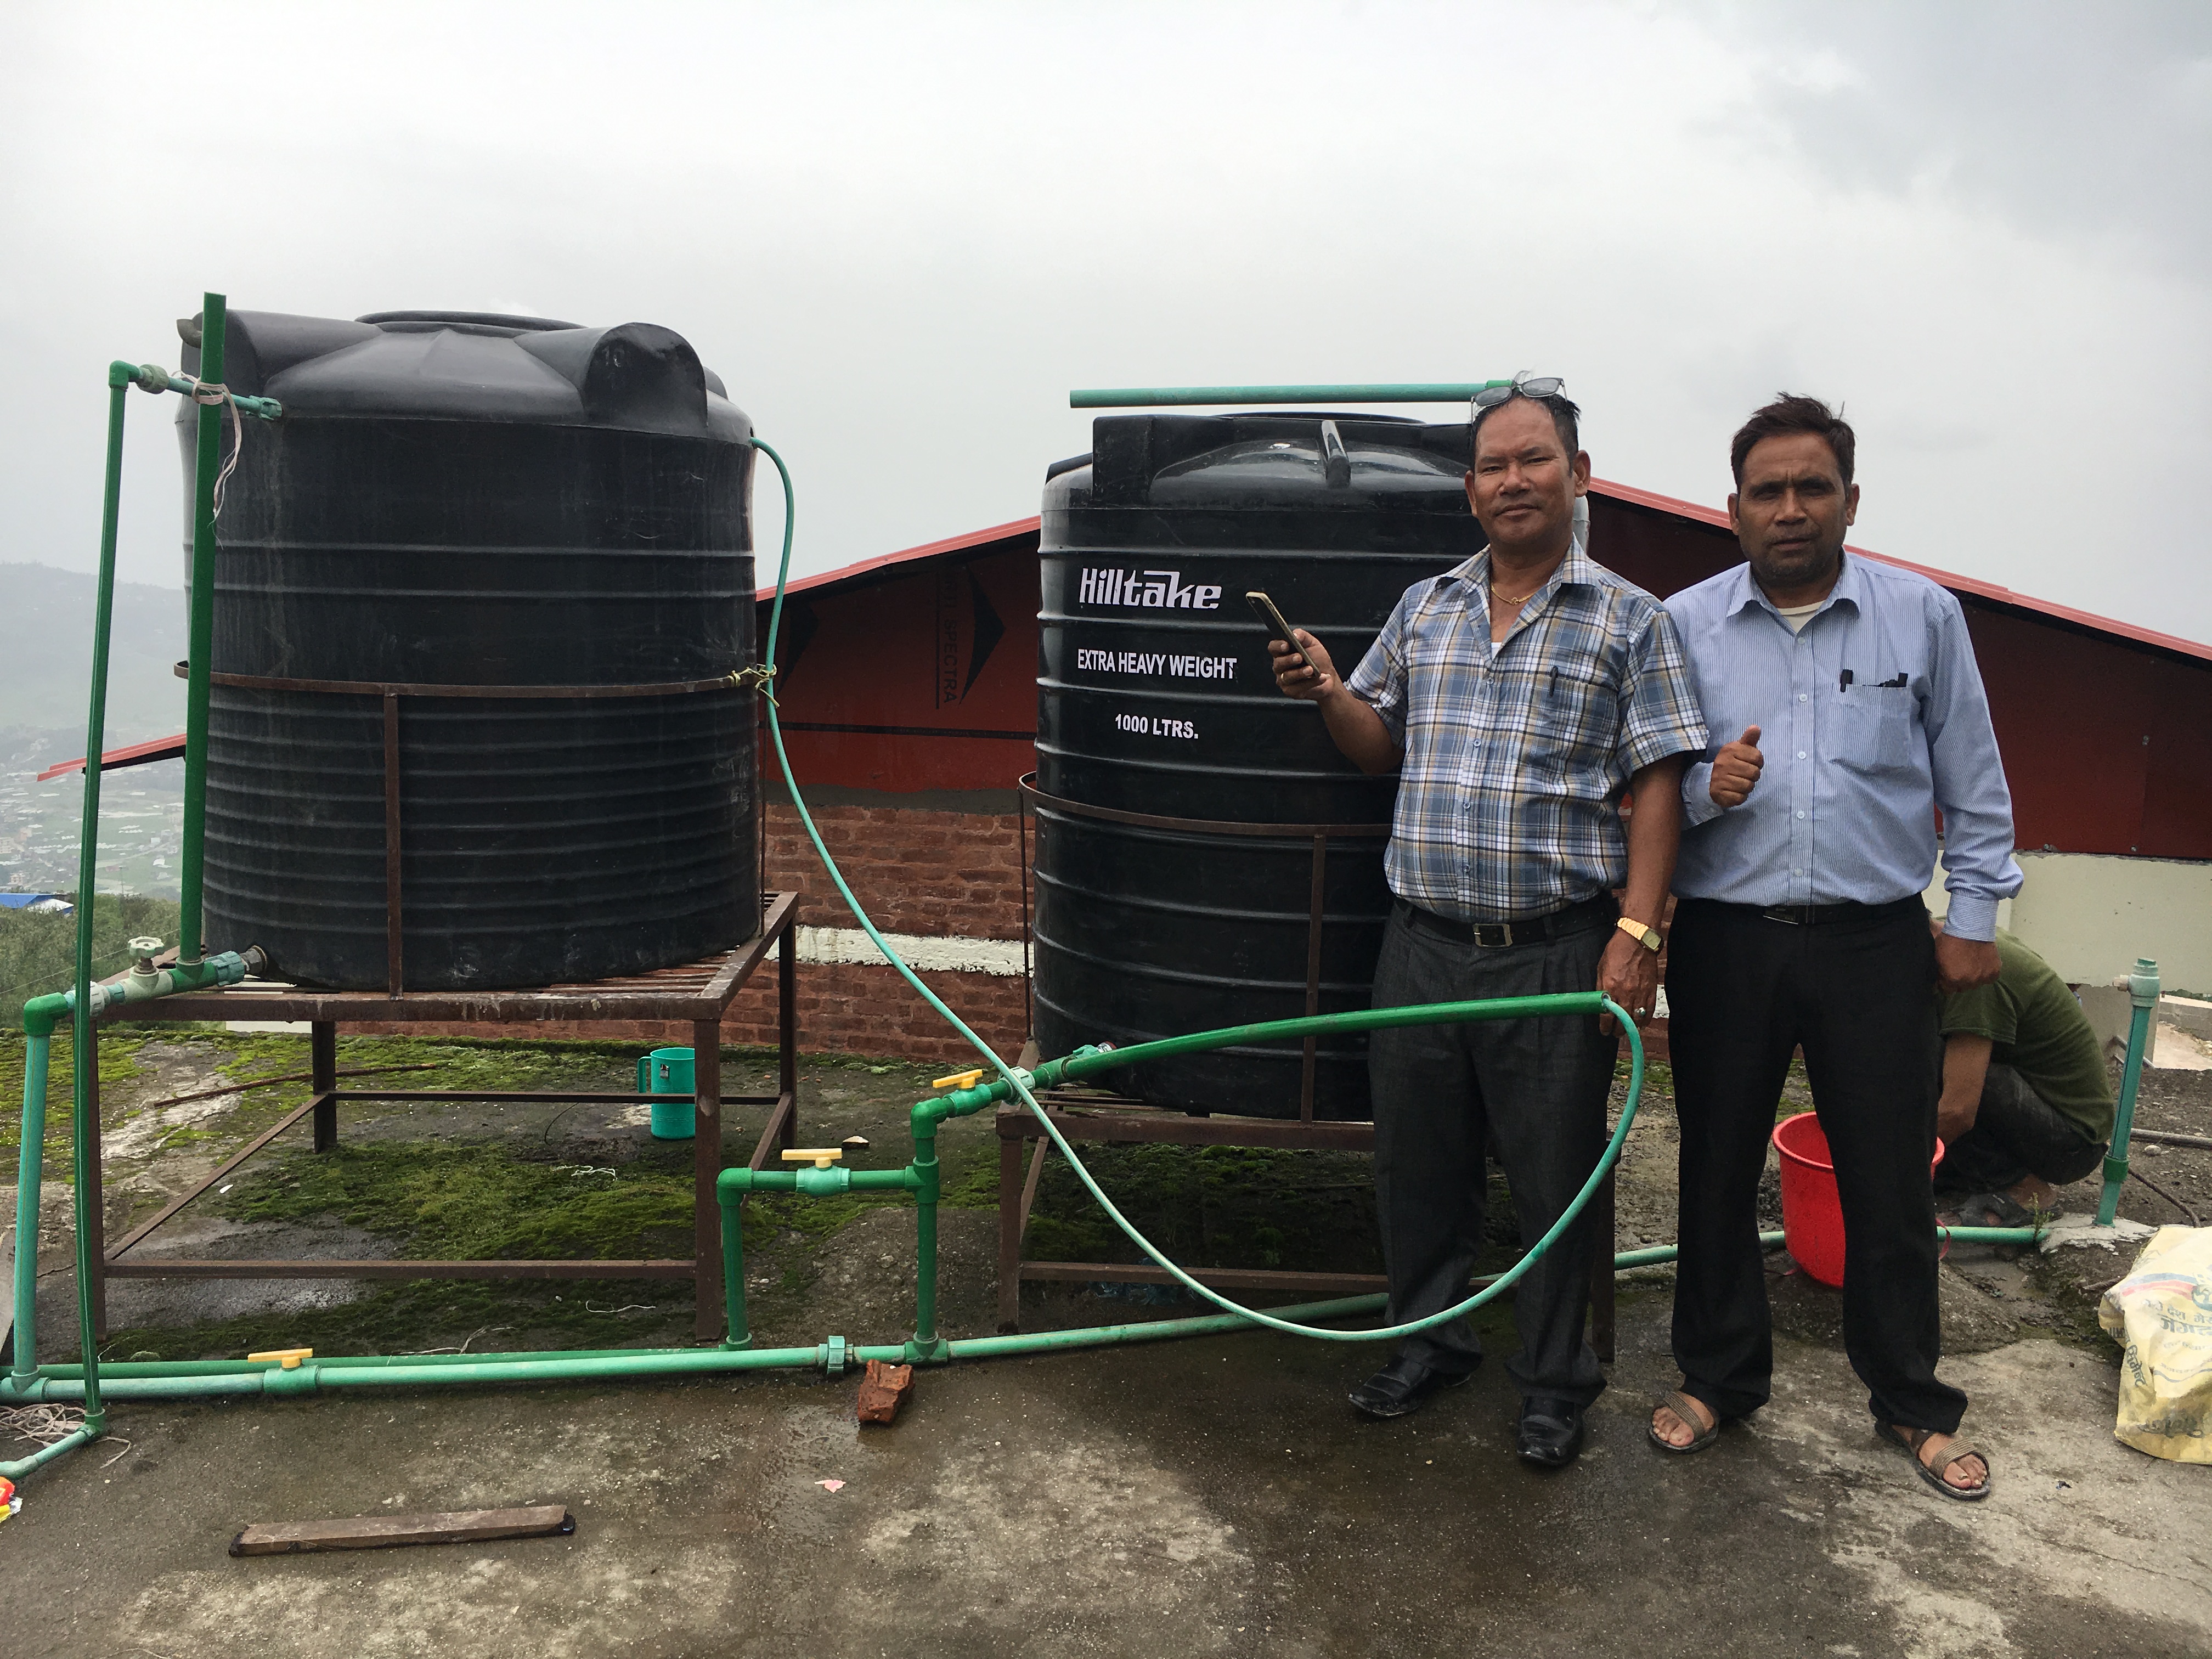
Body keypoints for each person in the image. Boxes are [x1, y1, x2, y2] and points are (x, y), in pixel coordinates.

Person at [1269, 376, 1707, 1468]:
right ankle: (1430, 1343)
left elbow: (1658, 788)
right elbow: (1378, 746)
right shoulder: (1427, 606)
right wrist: (1330, 689)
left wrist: (1639, 935)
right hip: (1419, 944)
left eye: (1535, 459)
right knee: (1416, 1166)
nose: (1514, 480)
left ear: (1579, 475)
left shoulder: (1630, 620)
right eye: (1495, 466)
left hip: (1552, 951)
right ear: (1470, 491)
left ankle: (1557, 1381)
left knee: (1554, 1177)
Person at [1654, 393, 2020, 1502]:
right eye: (1768, 491)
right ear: (1733, 511)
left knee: (1888, 1177)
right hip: (1727, 938)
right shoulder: (1684, 625)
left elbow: (1975, 778)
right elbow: (1649, 788)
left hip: (1874, 943)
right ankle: (1719, 1378)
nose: (1791, 509)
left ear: (1852, 500)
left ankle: (1912, 1399)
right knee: (1714, 1164)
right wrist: (1705, 790)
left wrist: (1974, 918)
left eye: (1814, 487)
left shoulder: (1923, 618)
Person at [1934, 921, 2114, 1226]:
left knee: (1935, 1064)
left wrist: (1893, 1172)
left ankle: (2025, 1192)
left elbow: (1958, 1111)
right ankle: (1963, 1172)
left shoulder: (1974, 974)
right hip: (2037, 1110)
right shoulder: (1954, 937)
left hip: (2070, 1142)